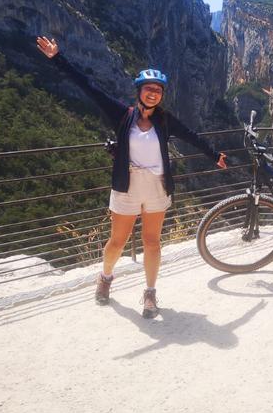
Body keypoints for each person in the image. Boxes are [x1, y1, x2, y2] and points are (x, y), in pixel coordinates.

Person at [36, 36, 227, 318]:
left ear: (162, 95)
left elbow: (191, 135)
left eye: (158, 90)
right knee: (117, 241)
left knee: (152, 242)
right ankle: (105, 277)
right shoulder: (122, 115)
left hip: (157, 186)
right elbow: (88, 87)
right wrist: (57, 58)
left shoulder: (165, 120)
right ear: (139, 91)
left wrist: (214, 155)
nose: (153, 94)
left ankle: (150, 293)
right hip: (127, 185)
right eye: (149, 89)